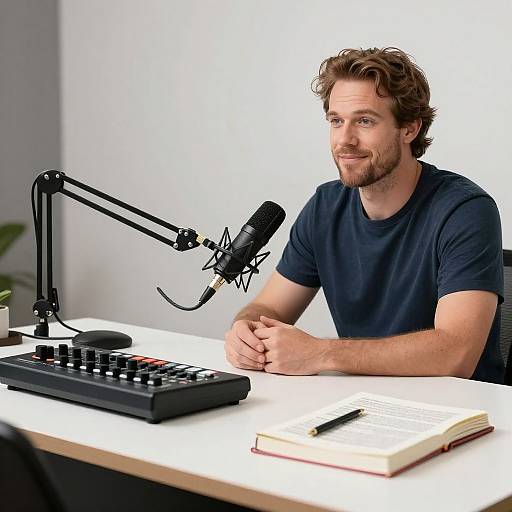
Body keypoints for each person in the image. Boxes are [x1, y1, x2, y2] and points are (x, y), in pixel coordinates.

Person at [224, 47, 504, 384]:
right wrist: (246, 330)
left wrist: (320, 353)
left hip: (459, 418)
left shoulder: (465, 211)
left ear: (409, 129)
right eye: (336, 121)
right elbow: (268, 309)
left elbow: (455, 353)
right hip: (361, 406)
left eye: (365, 121)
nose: (345, 140)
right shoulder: (325, 207)